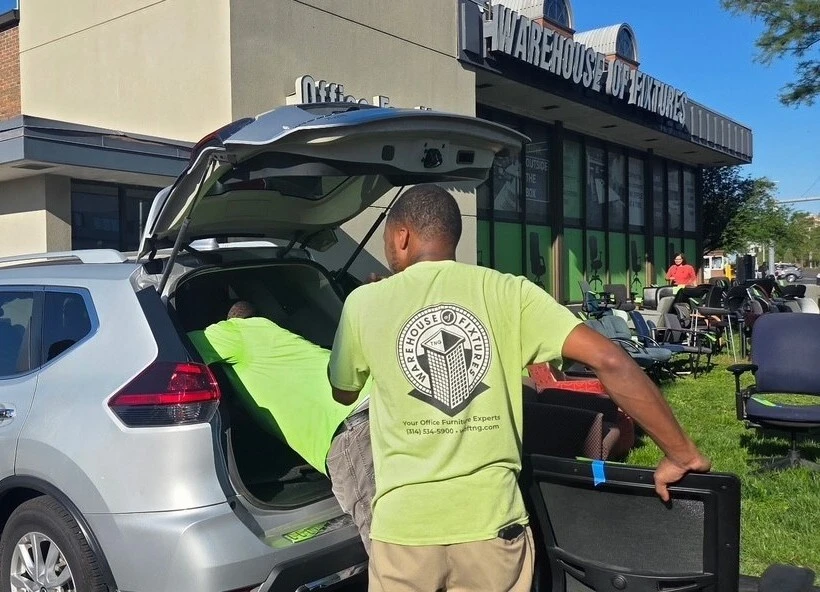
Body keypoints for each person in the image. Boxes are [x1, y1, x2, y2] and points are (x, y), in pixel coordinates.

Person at [328, 184, 711, 592]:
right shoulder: (510, 291)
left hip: (404, 532)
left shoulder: (363, 303)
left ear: (401, 236)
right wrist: (681, 453)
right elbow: (611, 360)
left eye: (387, 240)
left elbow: (344, 393)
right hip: (493, 526)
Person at [188, 301, 375, 554]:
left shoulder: (239, 331)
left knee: (386, 541)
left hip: (348, 426)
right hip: (378, 407)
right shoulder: (281, 339)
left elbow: (175, 346)